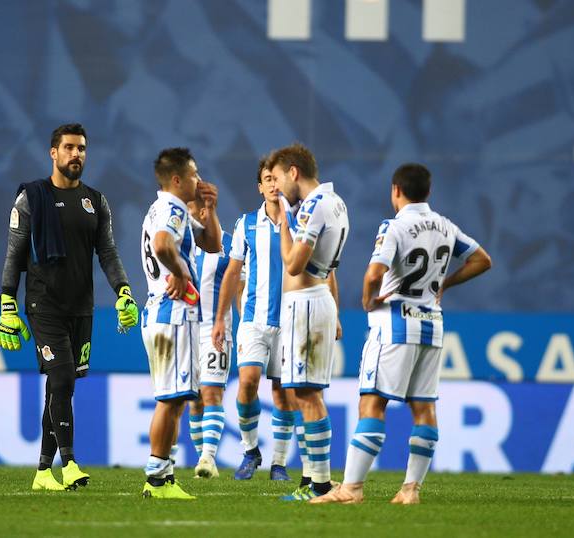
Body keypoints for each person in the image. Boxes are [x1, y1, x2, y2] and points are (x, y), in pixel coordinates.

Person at [311, 163, 492, 505]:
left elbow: (374, 273)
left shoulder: (394, 227)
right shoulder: (445, 226)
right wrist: (444, 285)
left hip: (394, 325)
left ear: (396, 190)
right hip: (432, 325)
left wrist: (368, 300)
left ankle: (351, 488)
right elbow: (482, 260)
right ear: (428, 191)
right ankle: (410, 490)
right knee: (424, 407)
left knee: (372, 403)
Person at [0, 123, 138, 491]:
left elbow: (107, 252)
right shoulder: (32, 198)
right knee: (61, 378)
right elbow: (14, 253)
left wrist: (123, 291)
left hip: (81, 307)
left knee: (61, 387)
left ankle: (43, 472)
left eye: (82, 149)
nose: (76, 154)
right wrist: (7, 302)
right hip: (44, 304)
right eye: (69, 148)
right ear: (53, 153)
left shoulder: (96, 201)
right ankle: (70, 464)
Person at [211, 159, 306, 482]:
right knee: (248, 381)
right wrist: (221, 319)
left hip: (290, 322)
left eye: (277, 178)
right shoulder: (247, 224)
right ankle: (250, 450)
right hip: (253, 319)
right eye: (268, 179)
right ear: (260, 187)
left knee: (283, 392)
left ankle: (278, 463)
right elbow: (232, 272)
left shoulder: (299, 222)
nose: (273, 184)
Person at [140, 147, 220, 499]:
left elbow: (212, 244)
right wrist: (181, 270)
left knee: (173, 399)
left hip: (162, 312)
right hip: (173, 313)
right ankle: (157, 479)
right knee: (170, 401)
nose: (199, 180)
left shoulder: (166, 209)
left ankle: (164, 476)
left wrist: (209, 209)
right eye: (193, 174)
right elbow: (162, 245)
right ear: (176, 179)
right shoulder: (172, 209)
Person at [271, 143, 348, 500]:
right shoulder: (335, 202)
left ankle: (320, 484)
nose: (276, 187)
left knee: (307, 394)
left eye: (278, 178)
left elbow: (293, 264)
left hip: (306, 304)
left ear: (294, 172)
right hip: (316, 301)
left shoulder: (313, 206)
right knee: (306, 393)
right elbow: (329, 268)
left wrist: (282, 224)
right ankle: (316, 480)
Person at [183, 197, 240, 479]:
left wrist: (244, 324)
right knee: (194, 400)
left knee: (211, 392)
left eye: (190, 210)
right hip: (186, 329)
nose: (185, 215)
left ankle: (208, 457)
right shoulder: (180, 245)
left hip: (216, 330)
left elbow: (238, 287)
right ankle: (204, 460)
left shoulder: (229, 245)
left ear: (203, 212)